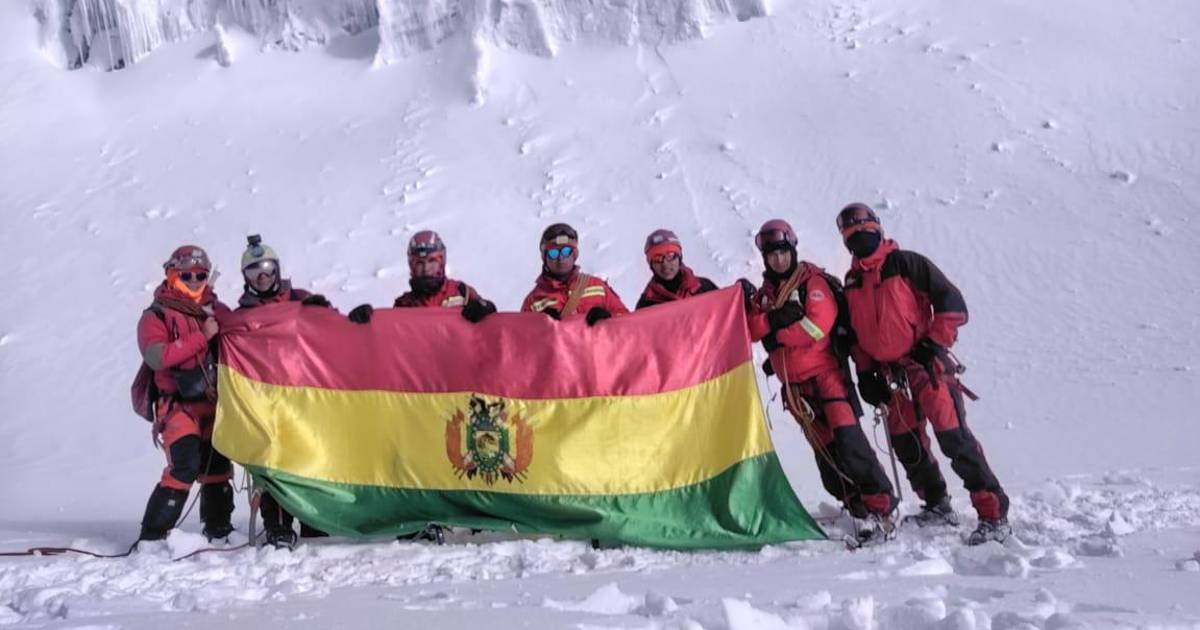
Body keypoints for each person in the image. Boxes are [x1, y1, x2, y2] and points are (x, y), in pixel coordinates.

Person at [837, 203, 1010, 545]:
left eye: (866, 230)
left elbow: (952, 304)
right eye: (853, 234)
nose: (861, 237)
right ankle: (937, 504)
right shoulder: (853, 281)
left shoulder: (907, 264)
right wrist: (867, 373)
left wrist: (932, 344)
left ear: (879, 229)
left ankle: (993, 514)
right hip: (890, 376)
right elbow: (858, 335)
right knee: (908, 444)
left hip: (926, 369)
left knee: (954, 439)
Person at [747, 220, 898, 541]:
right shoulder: (765, 296)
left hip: (827, 378)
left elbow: (817, 326)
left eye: (782, 253)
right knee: (827, 459)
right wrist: (774, 320)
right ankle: (856, 508)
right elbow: (751, 328)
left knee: (851, 445)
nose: (778, 260)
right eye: (772, 254)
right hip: (796, 389)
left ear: (793, 250)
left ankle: (881, 506)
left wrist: (776, 333)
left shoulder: (812, 283)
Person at [234, 235, 332, 549]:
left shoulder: (300, 300)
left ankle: (315, 522)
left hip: (304, 398)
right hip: (266, 403)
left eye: (265, 268)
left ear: (276, 269)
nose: (261, 276)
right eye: (253, 271)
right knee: (272, 465)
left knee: (311, 459)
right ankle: (277, 526)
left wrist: (326, 313)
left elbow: (332, 333)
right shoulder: (242, 316)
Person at [135, 246, 234, 542]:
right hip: (177, 406)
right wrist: (201, 337)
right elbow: (156, 357)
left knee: (217, 467)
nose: (194, 280)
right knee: (184, 466)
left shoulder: (215, 310)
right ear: (172, 274)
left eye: (201, 275)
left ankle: (219, 531)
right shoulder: (156, 315)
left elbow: (245, 329)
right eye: (186, 275)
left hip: (213, 402)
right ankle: (153, 536)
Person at [346, 231, 495, 325]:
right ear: (412, 265)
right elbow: (387, 341)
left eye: (432, 262)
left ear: (441, 262)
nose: (426, 269)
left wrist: (485, 307)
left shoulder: (461, 292)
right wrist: (367, 323)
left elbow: (495, 327)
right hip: (420, 372)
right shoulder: (404, 305)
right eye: (420, 263)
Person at [521, 223, 628, 323]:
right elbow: (522, 337)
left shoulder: (597, 286)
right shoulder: (533, 301)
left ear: (574, 254)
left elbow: (626, 319)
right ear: (545, 258)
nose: (560, 258)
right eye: (553, 253)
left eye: (566, 251)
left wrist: (608, 318)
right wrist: (540, 326)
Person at [634, 229, 719, 310]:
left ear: (679, 258)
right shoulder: (646, 305)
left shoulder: (705, 287)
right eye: (657, 259)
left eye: (670, 255)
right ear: (651, 264)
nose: (665, 264)